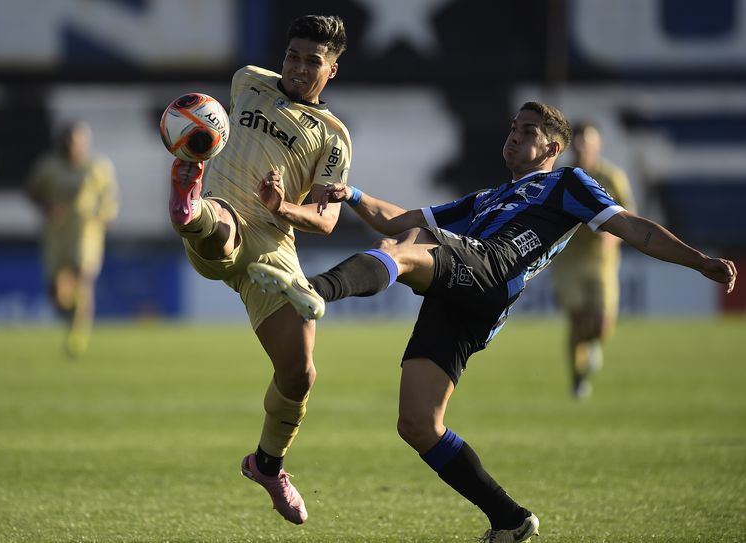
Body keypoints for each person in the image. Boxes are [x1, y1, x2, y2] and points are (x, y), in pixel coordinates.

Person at [246, 101, 737, 542]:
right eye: (513, 128)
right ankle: (509, 518)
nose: (515, 135)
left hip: (490, 269)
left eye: (528, 130)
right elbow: (396, 217)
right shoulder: (486, 198)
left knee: (406, 250)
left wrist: (699, 261)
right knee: (418, 424)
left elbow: (636, 229)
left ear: (553, 146)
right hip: (460, 302)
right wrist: (350, 194)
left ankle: (313, 289)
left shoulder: (567, 183)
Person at [167, 15, 350, 524]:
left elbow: (327, 217)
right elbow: (216, 123)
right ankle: (189, 205)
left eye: (312, 61)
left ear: (332, 70)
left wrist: (282, 206)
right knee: (219, 226)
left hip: (275, 244)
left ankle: (268, 465)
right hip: (226, 210)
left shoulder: (333, 137)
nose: (296, 68)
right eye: (292, 56)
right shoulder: (247, 80)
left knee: (300, 374)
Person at [551, 121, 637, 399]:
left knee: (600, 326)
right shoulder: (560, 177)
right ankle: (577, 378)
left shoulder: (612, 178)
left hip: (602, 262)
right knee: (577, 320)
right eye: (576, 143)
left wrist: (611, 237)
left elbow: (629, 220)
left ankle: (590, 345)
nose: (581, 148)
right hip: (569, 261)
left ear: (597, 145)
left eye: (586, 143)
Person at [27, 120, 119, 358]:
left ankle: (78, 335)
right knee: (57, 293)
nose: (72, 146)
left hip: (86, 235)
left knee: (82, 282)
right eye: (68, 141)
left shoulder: (97, 167)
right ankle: (71, 315)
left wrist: (103, 215)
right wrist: (46, 206)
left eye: (76, 141)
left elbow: (109, 198)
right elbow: (32, 191)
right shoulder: (48, 167)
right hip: (57, 236)